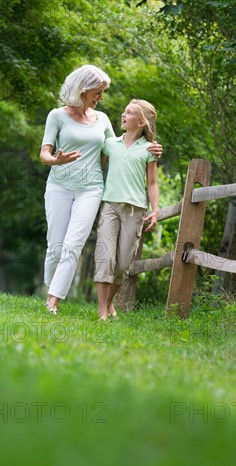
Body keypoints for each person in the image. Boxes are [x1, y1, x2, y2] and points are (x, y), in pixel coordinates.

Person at [40, 65, 162, 314]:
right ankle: (50, 286)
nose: (101, 97)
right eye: (98, 92)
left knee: (74, 244)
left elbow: (121, 146)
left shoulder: (103, 120)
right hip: (59, 186)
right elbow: (44, 152)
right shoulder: (57, 116)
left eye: (102, 92)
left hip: (91, 190)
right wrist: (55, 160)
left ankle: (53, 300)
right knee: (55, 246)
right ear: (82, 89)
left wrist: (151, 148)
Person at [94, 99, 159, 321]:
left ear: (141, 122)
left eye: (129, 113)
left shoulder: (149, 149)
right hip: (110, 206)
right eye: (124, 111)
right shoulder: (110, 144)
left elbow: (152, 183)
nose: (123, 115)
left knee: (122, 264)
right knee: (105, 258)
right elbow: (95, 166)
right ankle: (102, 311)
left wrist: (156, 209)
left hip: (136, 211)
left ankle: (109, 303)